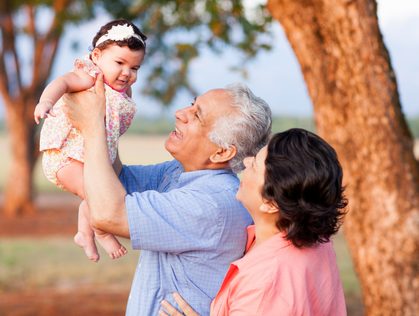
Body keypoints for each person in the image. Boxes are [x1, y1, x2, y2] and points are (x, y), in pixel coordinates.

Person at [62, 76, 272, 315]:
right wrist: (110, 118)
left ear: (222, 152)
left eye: (197, 115)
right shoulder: (179, 172)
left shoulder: (211, 203)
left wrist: (92, 127)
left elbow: (107, 214)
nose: (180, 113)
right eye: (192, 104)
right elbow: (113, 181)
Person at [159, 128, 348, 316]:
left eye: (255, 165)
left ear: (270, 203)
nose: (246, 161)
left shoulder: (262, 285)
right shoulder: (318, 239)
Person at [34, 19, 147, 262]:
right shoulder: (90, 76)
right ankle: (101, 233)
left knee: (108, 190)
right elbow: (62, 82)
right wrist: (46, 101)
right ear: (96, 56)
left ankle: (84, 233)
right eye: (119, 63)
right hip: (66, 157)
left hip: (91, 156)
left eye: (135, 68)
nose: (127, 72)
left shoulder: (122, 89)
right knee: (98, 195)